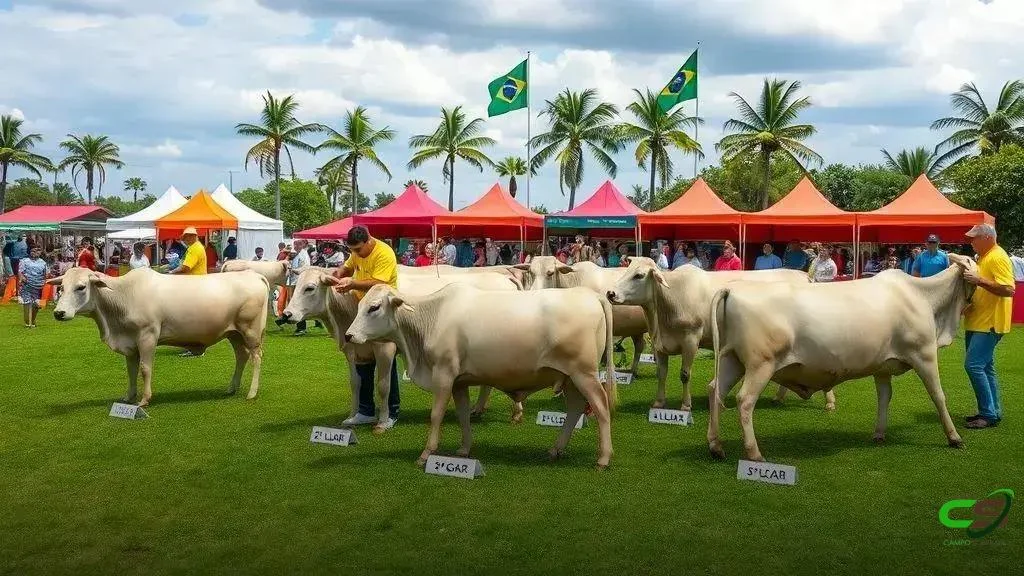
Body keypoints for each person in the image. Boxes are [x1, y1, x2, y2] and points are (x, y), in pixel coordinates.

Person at [327, 225, 400, 429]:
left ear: (369, 240)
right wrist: (339, 273)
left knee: (386, 361)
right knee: (362, 360)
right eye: (352, 249)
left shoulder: (384, 252)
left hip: (381, 311)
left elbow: (379, 282)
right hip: (363, 310)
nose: (356, 253)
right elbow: (349, 267)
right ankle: (365, 411)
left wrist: (352, 284)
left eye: (358, 249)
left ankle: (391, 412)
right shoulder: (356, 251)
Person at [961, 224, 1015, 429]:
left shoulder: (998, 256)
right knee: (985, 367)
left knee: (973, 366)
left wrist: (979, 280)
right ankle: (993, 411)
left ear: (987, 238)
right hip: (978, 321)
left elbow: (1009, 289)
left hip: (990, 323)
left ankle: (987, 414)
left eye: (974, 238)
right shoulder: (984, 257)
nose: (971, 242)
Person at [278, 239, 312, 335]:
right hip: (292, 281)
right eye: (295, 245)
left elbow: (306, 267)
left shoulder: (304, 254)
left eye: (297, 245)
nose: (295, 247)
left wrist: (295, 270)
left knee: (298, 304)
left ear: (302, 245)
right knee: (292, 302)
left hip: (299, 282)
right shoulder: (294, 254)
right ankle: (291, 321)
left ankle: (301, 327)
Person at [18, 245, 47, 328]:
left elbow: (45, 275)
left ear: (40, 252)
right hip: (27, 285)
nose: (35, 252)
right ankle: (28, 323)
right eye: (33, 251)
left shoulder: (43, 262)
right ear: (29, 252)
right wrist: (22, 278)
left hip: (38, 287)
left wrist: (44, 283)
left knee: (36, 304)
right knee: (27, 303)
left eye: (38, 250)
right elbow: (20, 272)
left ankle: (32, 320)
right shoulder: (24, 261)